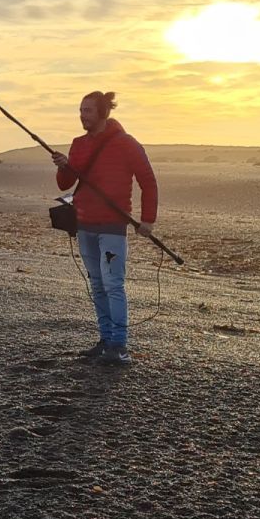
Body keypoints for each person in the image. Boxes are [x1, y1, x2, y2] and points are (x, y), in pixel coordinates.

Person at [51, 91, 158, 365]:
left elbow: (148, 181)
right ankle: (105, 339)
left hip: (112, 226)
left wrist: (147, 220)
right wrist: (64, 166)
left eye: (87, 111)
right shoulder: (78, 144)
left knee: (113, 284)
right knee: (97, 284)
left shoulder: (127, 144)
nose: (82, 115)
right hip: (84, 224)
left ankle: (119, 346)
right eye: (80, 110)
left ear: (102, 113)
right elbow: (65, 184)